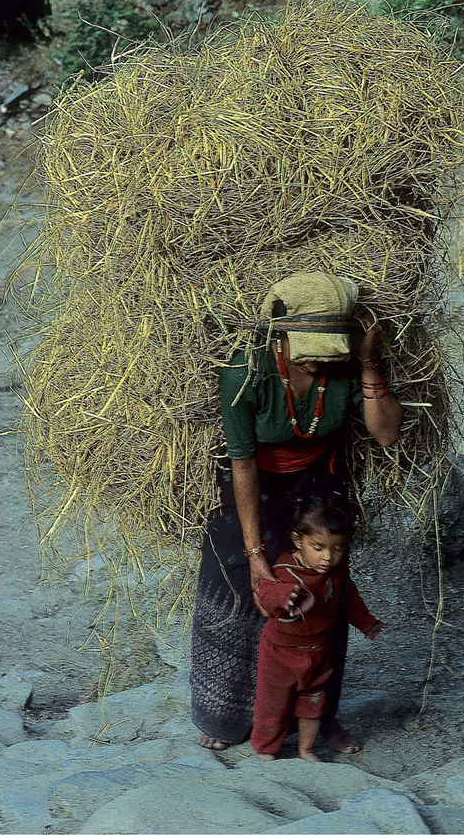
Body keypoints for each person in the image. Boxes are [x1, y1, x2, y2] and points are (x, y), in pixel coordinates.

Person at [190, 271, 402, 752]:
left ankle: (317, 718)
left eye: (330, 351)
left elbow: (386, 433)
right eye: (307, 349)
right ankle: (226, 719)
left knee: (320, 595)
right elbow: (241, 463)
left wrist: (369, 363)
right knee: (243, 592)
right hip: (253, 488)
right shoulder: (245, 372)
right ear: (279, 335)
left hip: (318, 488)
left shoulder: (347, 366)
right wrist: (256, 551)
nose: (316, 362)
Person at [251, 493, 383, 761]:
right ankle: (266, 750)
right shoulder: (286, 569)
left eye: (337, 549)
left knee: (313, 703)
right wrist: (285, 596)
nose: (328, 557)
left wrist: (368, 624)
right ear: (298, 540)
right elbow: (265, 592)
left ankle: (306, 749)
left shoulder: (335, 574)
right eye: (319, 547)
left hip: (318, 653)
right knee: (271, 704)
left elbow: (350, 599)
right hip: (280, 654)